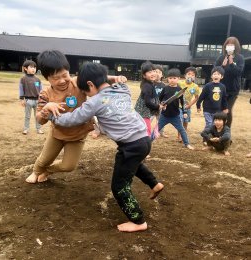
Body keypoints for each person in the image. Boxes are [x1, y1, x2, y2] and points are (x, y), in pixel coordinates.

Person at [45, 62, 164, 233]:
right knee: (135, 165)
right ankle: (154, 184)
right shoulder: (123, 89)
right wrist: (115, 78)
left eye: (85, 92)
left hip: (130, 145)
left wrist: (52, 115)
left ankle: (138, 221)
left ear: (90, 85)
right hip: (144, 139)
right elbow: (114, 82)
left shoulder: (95, 102)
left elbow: (72, 119)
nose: (86, 96)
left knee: (119, 186)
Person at [25, 50, 124, 184]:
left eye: (64, 75)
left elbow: (98, 77)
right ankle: (36, 171)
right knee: (44, 159)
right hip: (57, 134)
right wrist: (46, 109)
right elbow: (39, 120)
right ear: (46, 78)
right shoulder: (45, 94)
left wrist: (114, 78)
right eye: (55, 78)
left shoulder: (78, 82)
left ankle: (48, 170)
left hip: (77, 136)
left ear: (68, 71)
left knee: (68, 166)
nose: (62, 81)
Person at [158, 68, 194, 150]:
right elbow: (160, 99)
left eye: (174, 78)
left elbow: (183, 102)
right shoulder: (165, 89)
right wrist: (162, 104)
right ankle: (148, 142)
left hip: (175, 116)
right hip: (164, 116)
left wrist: (185, 112)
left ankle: (187, 144)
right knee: (156, 130)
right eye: (170, 78)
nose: (172, 80)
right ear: (167, 79)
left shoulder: (179, 90)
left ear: (178, 79)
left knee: (182, 130)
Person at [214, 36, 245, 128]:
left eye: (232, 45)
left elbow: (238, 72)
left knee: (228, 110)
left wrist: (231, 64)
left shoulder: (240, 58)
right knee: (219, 110)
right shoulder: (221, 58)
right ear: (225, 46)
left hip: (233, 90)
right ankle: (218, 129)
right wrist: (222, 67)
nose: (230, 46)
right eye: (228, 44)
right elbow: (215, 72)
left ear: (236, 46)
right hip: (220, 88)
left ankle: (227, 131)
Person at [196, 66, 228, 145]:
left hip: (217, 111)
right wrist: (198, 105)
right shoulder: (207, 86)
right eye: (214, 74)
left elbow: (224, 98)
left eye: (218, 74)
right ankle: (205, 140)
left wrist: (225, 107)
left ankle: (212, 140)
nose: (216, 75)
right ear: (211, 76)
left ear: (222, 76)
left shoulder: (223, 87)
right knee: (209, 124)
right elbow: (201, 96)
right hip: (207, 110)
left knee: (214, 125)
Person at [135, 61, 164, 136]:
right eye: (150, 72)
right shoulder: (147, 86)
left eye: (154, 71)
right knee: (146, 132)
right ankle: (144, 145)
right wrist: (158, 106)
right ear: (144, 76)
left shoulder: (150, 84)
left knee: (143, 130)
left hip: (145, 113)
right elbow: (147, 102)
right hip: (143, 113)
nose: (153, 73)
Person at [19, 60, 44, 135]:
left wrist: (42, 98)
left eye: (35, 67)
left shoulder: (37, 79)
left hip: (37, 100)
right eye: (31, 67)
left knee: (38, 115)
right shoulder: (23, 79)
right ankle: (26, 129)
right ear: (25, 68)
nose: (34, 69)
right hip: (28, 100)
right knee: (27, 116)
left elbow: (41, 90)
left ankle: (39, 129)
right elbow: (21, 89)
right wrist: (21, 99)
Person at [178, 66, 200, 141]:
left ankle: (184, 134)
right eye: (189, 74)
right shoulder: (179, 83)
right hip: (179, 106)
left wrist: (190, 105)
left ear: (195, 77)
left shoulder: (195, 86)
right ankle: (179, 136)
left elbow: (196, 97)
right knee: (180, 120)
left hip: (187, 107)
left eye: (192, 75)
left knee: (185, 121)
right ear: (185, 75)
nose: (190, 76)